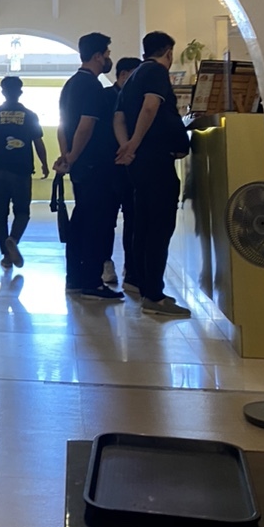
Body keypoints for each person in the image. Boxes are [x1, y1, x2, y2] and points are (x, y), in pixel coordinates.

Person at [114, 31, 191, 317]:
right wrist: (134, 144)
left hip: (138, 163)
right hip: (156, 160)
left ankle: (141, 283)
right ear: (168, 52)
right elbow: (150, 107)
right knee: (159, 227)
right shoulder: (157, 72)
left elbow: (118, 117)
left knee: (143, 225)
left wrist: (126, 147)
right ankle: (155, 297)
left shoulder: (132, 77)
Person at [56, 33, 124, 302]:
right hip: (95, 165)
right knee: (97, 224)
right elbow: (86, 126)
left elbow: (63, 126)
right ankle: (92, 283)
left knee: (80, 221)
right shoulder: (92, 86)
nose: (108, 58)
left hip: (81, 167)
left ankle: (74, 278)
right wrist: (73, 156)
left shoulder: (70, 84)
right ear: (97, 56)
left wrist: (67, 156)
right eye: (107, 54)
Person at [0, 76, 49, 269]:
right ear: (20, 92)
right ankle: (13, 239)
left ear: (3, 92)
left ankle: (7, 256)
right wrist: (44, 164)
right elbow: (38, 142)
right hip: (21, 171)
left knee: (0, 214)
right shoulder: (30, 115)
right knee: (22, 212)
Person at [97, 56, 142, 286]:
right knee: (107, 219)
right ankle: (106, 263)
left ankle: (131, 268)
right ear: (123, 75)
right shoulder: (105, 97)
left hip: (133, 167)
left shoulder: (137, 98)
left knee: (133, 218)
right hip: (109, 166)